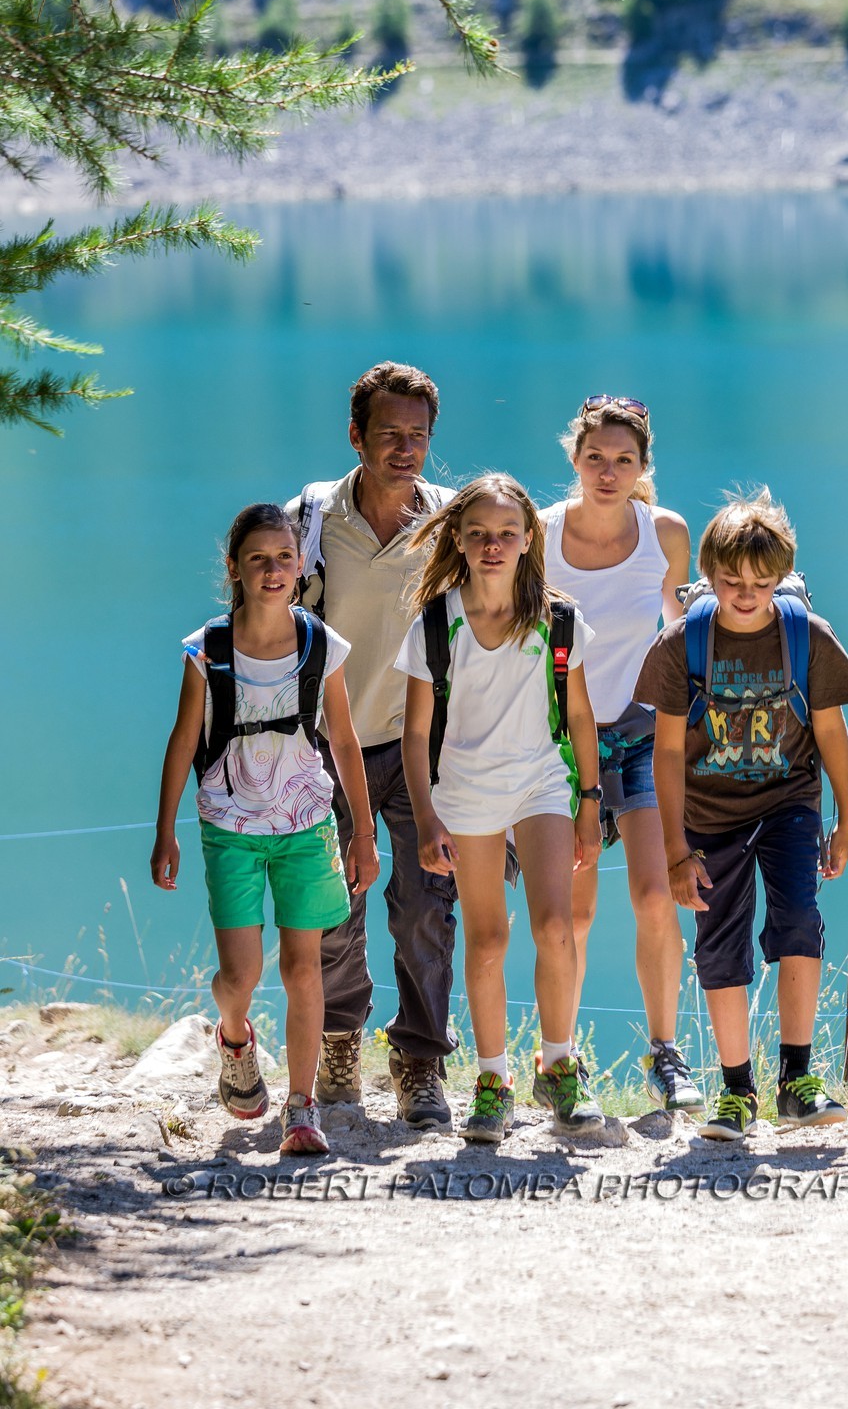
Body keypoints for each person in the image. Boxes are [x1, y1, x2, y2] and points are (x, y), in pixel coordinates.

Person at [634, 487, 848, 1140]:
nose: (744, 593)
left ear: (780, 578)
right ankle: (736, 1091)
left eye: (760, 583)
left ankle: (796, 1080)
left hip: (787, 802)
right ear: (707, 575)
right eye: (731, 580)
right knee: (718, 946)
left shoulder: (804, 636)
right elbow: (667, 751)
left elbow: (830, 730)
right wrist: (675, 850)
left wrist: (844, 820)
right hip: (707, 817)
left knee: (798, 919)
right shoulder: (682, 644)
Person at [150, 504, 379, 1156]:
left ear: (300, 566)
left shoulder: (319, 645)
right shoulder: (208, 649)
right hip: (229, 824)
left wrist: (362, 832)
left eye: (284, 558)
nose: (273, 570)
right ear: (235, 568)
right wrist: (164, 830)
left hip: (307, 824)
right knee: (241, 975)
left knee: (305, 969)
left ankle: (301, 1108)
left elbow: (343, 737)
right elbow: (182, 739)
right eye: (258, 559)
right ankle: (234, 1034)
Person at [396, 473, 606, 1143]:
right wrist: (426, 817)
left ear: (527, 540)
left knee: (555, 927)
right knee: (487, 940)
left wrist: (589, 803)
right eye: (479, 534)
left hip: (540, 783)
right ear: (457, 539)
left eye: (506, 534)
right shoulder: (437, 621)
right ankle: (493, 1081)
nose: (492, 546)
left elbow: (578, 716)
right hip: (464, 792)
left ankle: (558, 1065)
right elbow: (415, 731)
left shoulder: (558, 619)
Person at [285, 362, 457, 1131]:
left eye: (417, 435)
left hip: (425, 747)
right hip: (327, 746)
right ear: (354, 435)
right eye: (388, 433)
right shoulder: (310, 522)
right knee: (333, 909)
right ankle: (339, 1044)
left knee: (427, 908)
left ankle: (419, 1060)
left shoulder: (450, 522)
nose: (403, 449)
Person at [540, 395, 703, 1113]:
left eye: (624, 461)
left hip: (641, 730)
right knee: (571, 915)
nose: (607, 473)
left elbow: (680, 630)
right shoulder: (536, 534)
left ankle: (665, 1055)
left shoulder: (664, 534)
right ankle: (561, 1063)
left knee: (657, 892)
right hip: (559, 738)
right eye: (595, 458)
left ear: (642, 468)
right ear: (574, 457)